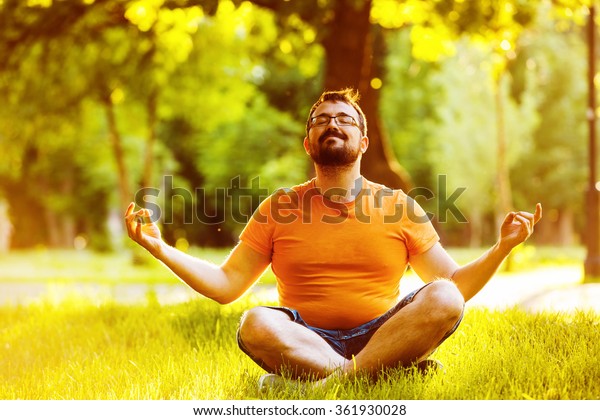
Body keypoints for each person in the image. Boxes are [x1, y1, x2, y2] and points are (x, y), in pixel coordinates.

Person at [124, 88, 542, 389]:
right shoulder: (278, 207)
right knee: (254, 322)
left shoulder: (399, 206)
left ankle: (321, 385)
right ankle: (378, 375)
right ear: (309, 143)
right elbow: (226, 286)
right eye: (321, 120)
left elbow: (457, 287)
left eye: (344, 119)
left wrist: (502, 248)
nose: (332, 124)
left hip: (383, 333)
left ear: (363, 141)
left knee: (445, 297)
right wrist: (158, 248)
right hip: (304, 337)